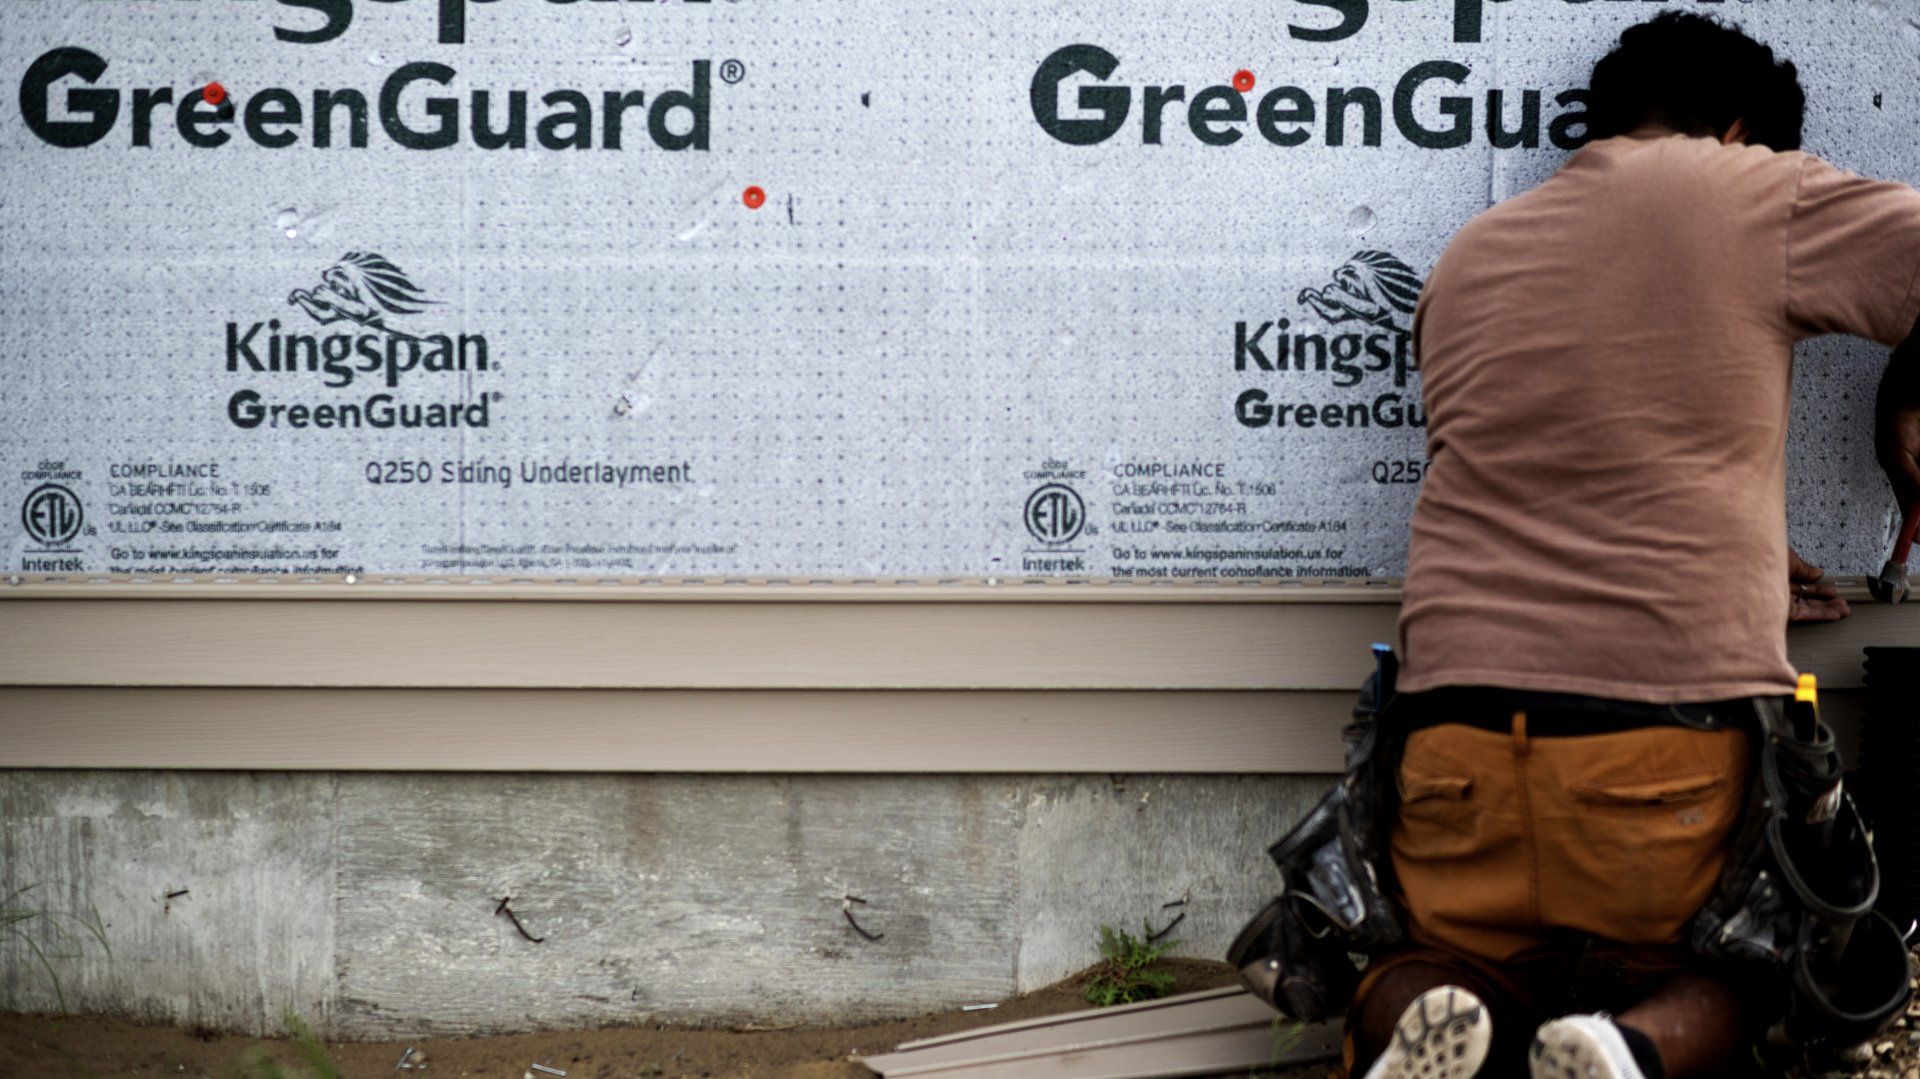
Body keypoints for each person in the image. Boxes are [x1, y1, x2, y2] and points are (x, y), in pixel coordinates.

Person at [1351, 13, 1920, 1079]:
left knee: (1420, 954)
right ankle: (1628, 1053)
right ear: (1739, 131)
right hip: (1659, 745)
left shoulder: (1469, 257)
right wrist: (1906, 402)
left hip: (1449, 741)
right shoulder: (1750, 186)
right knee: (1759, 958)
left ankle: (1439, 1020)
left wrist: (1741, 549)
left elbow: (1566, 465)